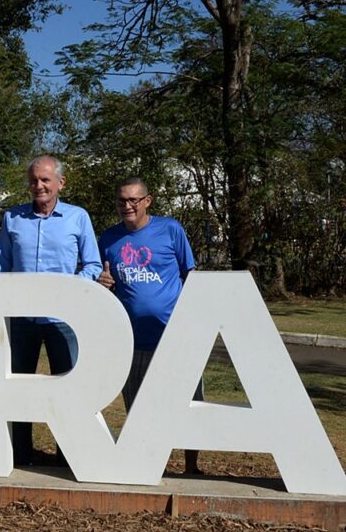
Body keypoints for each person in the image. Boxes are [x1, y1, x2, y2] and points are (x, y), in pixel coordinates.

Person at [0, 155, 102, 466]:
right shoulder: (13, 218)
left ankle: (69, 455)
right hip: (22, 320)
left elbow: (92, 264)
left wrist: (70, 292)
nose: (38, 186)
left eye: (45, 180)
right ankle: (20, 455)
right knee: (19, 388)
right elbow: (2, 267)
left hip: (64, 321)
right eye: (33, 180)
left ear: (60, 183)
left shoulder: (78, 217)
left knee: (68, 386)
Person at [97, 177, 203, 474]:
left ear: (148, 200)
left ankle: (191, 466)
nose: (127, 206)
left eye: (133, 200)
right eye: (121, 201)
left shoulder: (171, 230)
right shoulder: (108, 238)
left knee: (189, 403)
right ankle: (143, 461)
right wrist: (103, 283)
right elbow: (103, 281)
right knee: (137, 404)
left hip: (174, 335)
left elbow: (190, 274)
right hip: (130, 337)